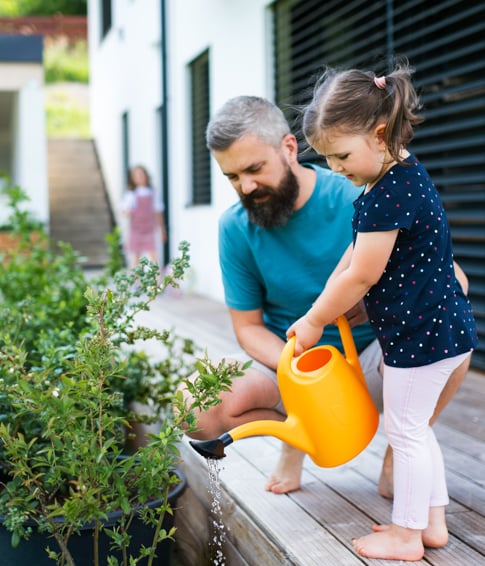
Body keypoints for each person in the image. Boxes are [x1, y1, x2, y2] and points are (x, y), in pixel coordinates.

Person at [180, 94, 470, 500]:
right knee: (196, 406)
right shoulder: (234, 227)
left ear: (289, 147)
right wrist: (298, 368)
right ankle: (298, 438)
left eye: (254, 169)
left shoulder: (359, 195)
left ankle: (401, 453)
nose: (245, 186)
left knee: (449, 332)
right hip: (294, 362)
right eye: (231, 177)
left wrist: (371, 306)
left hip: (375, 358)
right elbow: (247, 328)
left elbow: (452, 282)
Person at [286, 61, 478, 561]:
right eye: (326, 158)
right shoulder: (399, 175)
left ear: (378, 133)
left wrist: (314, 320)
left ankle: (407, 534)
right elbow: (351, 257)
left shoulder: (385, 195)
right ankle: (432, 520)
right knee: (415, 428)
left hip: (421, 334)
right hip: (435, 327)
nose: (335, 168)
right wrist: (325, 298)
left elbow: (361, 275)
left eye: (341, 155)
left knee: (406, 430)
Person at [122, 165, 167, 271]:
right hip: (136, 229)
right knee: (136, 258)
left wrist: (162, 230)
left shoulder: (153, 193)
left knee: (153, 256)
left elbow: (158, 212)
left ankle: (157, 283)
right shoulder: (131, 194)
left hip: (149, 229)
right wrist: (128, 211)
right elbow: (124, 209)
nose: (140, 177)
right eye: (136, 175)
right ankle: (136, 283)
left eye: (141, 174)